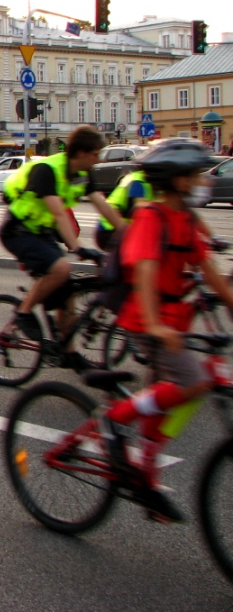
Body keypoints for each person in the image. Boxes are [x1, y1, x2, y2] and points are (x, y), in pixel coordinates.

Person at [102, 139, 233, 522]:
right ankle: (115, 419)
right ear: (177, 181)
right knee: (192, 381)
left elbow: (210, 273)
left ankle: (145, 469)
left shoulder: (186, 220)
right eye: (195, 175)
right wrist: (156, 325)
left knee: (174, 393)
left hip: (175, 322)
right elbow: (143, 272)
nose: (201, 181)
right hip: (148, 321)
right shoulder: (150, 217)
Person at [0, 125, 126, 340]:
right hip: (17, 230)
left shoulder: (83, 174)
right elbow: (58, 213)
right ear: (82, 153)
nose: (98, 160)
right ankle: (23, 312)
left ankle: (67, 351)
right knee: (61, 268)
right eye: (96, 155)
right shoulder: (48, 170)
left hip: (41, 230)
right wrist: (77, 248)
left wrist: (128, 232)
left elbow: (103, 206)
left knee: (67, 292)